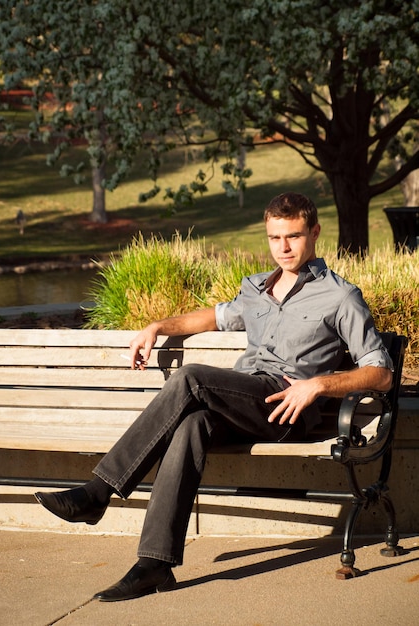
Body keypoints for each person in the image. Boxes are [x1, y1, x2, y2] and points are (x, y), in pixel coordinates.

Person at [35, 192, 393, 602]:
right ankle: (155, 564)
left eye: (293, 236)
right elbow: (211, 316)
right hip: (245, 400)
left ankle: (98, 493)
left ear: (314, 232)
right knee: (192, 424)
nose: (284, 247)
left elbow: (381, 372)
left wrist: (318, 385)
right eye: (275, 238)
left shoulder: (340, 296)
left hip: (288, 408)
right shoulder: (258, 288)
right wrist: (157, 326)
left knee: (191, 379)